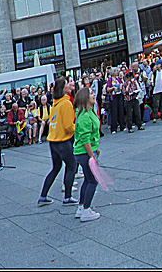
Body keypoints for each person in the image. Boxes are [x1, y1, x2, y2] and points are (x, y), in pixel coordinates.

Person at [38, 76, 76, 207]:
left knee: (56, 167)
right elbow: (68, 126)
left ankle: (43, 196)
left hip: (53, 140)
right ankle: (68, 197)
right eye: (67, 84)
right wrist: (77, 129)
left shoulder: (55, 104)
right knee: (72, 166)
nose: (70, 85)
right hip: (63, 140)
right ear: (63, 88)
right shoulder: (66, 103)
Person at [71, 87, 101, 222]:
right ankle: (86, 210)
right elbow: (84, 139)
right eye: (91, 94)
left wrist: (96, 149)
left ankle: (82, 207)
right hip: (84, 153)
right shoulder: (84, 116)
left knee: (88, 179)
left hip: (85, 152)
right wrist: (91, 155)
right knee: (93, 181)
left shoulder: (88, 113)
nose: (93, 95)